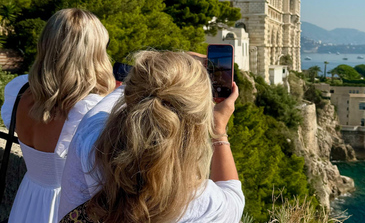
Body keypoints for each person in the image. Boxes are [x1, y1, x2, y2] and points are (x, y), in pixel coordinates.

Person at [58, 51, 244, 223]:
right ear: (197, 123)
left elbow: (129, 94)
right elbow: (233, 199)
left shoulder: (91, 135)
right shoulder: (196, 199)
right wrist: (219, 129)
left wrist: (167, 67)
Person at [1, 8, 115, 223]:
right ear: (93, 52)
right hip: (65, 206)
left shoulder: (19, 90)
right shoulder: (88, 110)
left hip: (29, 194)